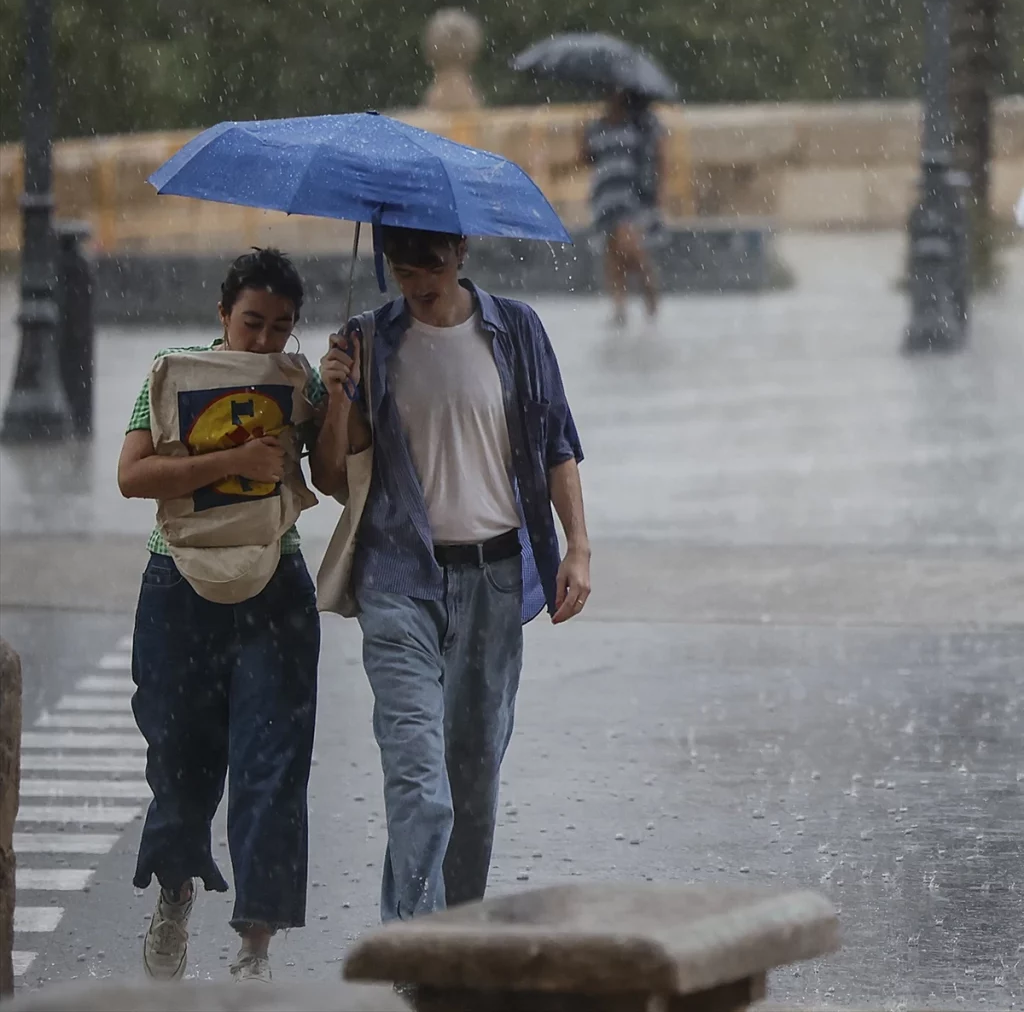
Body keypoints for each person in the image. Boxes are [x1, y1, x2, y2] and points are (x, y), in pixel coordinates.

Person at [315, 226, 590, 924]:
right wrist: (339, 393)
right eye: (401, 268)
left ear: (462, 250)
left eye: (431, 263)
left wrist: (578, 547)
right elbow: (328, 477)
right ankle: (415, 943)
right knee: (420, 782)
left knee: (471, 784)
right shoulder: (366, 340)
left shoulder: (517, 329)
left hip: (495, 578)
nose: (417, 280)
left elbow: (557, 443)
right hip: (399, 581)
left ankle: (456, 938)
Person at [117, 248, 332, 983]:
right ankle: (175, 893)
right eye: (251, 323)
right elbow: (132, 475)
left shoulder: (300, 383)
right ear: (221, 315)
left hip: (276, 581)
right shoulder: (172, 372)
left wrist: (340, 398)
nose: (265, 340)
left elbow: (334, 477)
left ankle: (255, 946)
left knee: (273, 763)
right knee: (179, 756)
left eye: (281, 326)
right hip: (179, 580)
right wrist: (232, 463)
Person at [580, 89, 666, 328]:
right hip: (606, 194)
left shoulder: (641, 123)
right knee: (613, 253)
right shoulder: (597, 126)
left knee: (632, 249)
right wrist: (580, 134)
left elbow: (658, 155)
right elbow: (587, 158)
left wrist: (658, 189)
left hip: (632, 194)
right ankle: (619, 307)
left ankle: (650, 297)